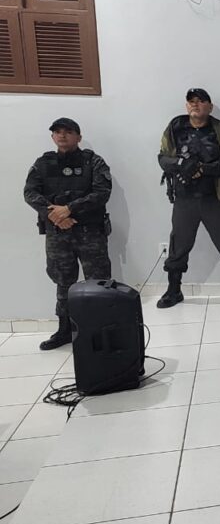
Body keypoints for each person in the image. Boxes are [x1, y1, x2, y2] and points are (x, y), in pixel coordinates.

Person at [156, 88, 220, 308]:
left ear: (209, 105)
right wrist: (182, 165)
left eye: (200, 101)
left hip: (214, 197)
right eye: (191, 101)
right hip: (184, 198)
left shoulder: (219, 129)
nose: (195, 105)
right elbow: (162, 158)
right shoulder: (175, 127)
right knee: (178, 245)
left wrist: (204, 169)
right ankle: (173, 291)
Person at [23, 118, 112, 350]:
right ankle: (64, 329)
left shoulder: (93, 161)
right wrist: (53, 214)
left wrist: (70, 209)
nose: (62, 136)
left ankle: (100, 328)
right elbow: (30, 193)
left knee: (98, 281)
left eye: (68, 132)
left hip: (90, 232)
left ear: (78, 137)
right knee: (63, 282)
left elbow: (102, 193)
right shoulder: (43, 163)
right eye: (57, 132)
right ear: (53, 137)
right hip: (58, 233)